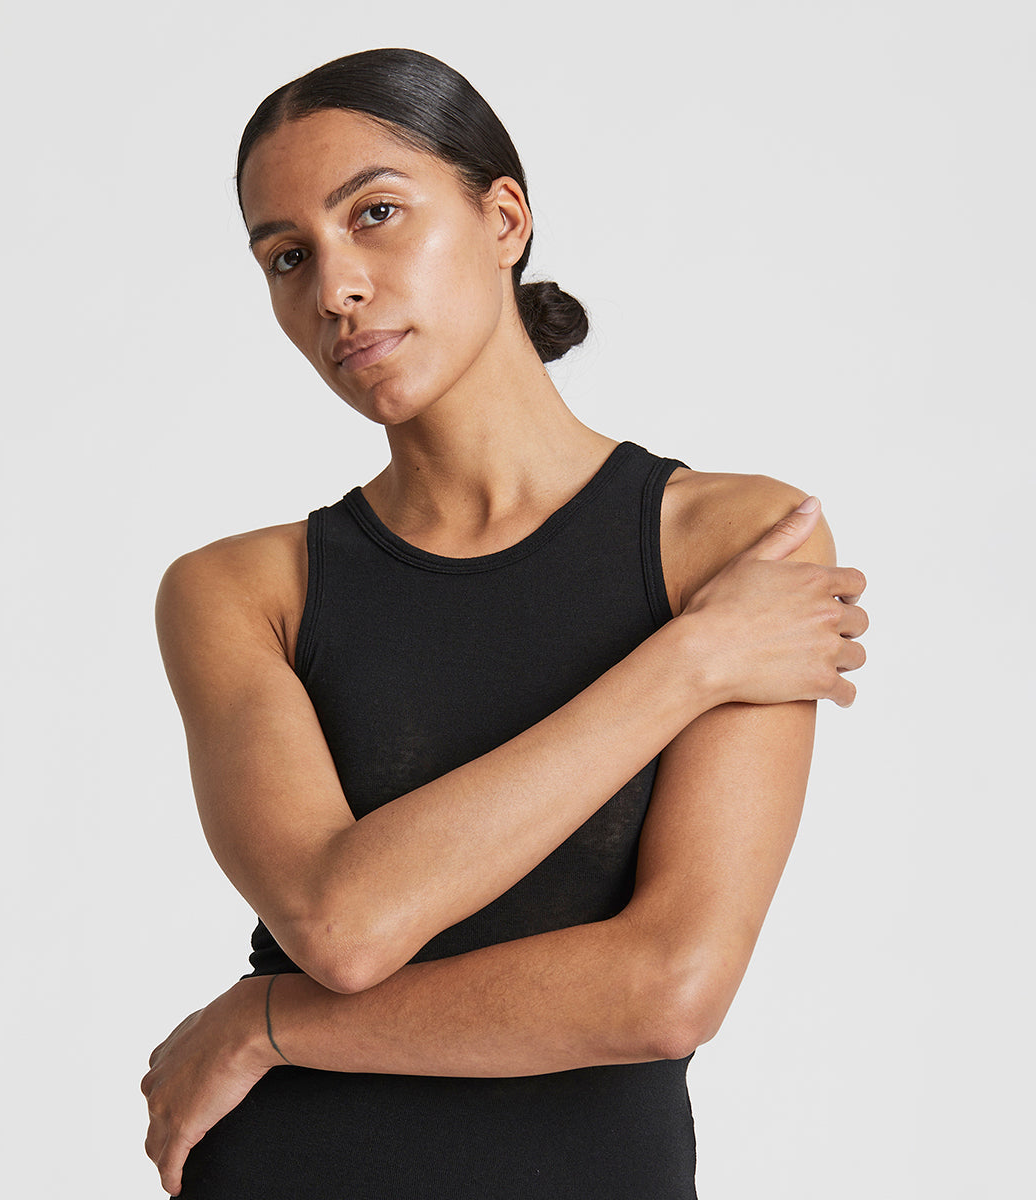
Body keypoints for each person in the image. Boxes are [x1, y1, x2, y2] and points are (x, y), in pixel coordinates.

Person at [140, 47, 869, 1199]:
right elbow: (342, 925)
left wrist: (267, 1025)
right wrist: (688, 663)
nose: (334, 288)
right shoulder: (238, 590)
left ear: (504, 219)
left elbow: (669, 987)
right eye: (288, 256)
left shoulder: (739, 542)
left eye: (375, 214)